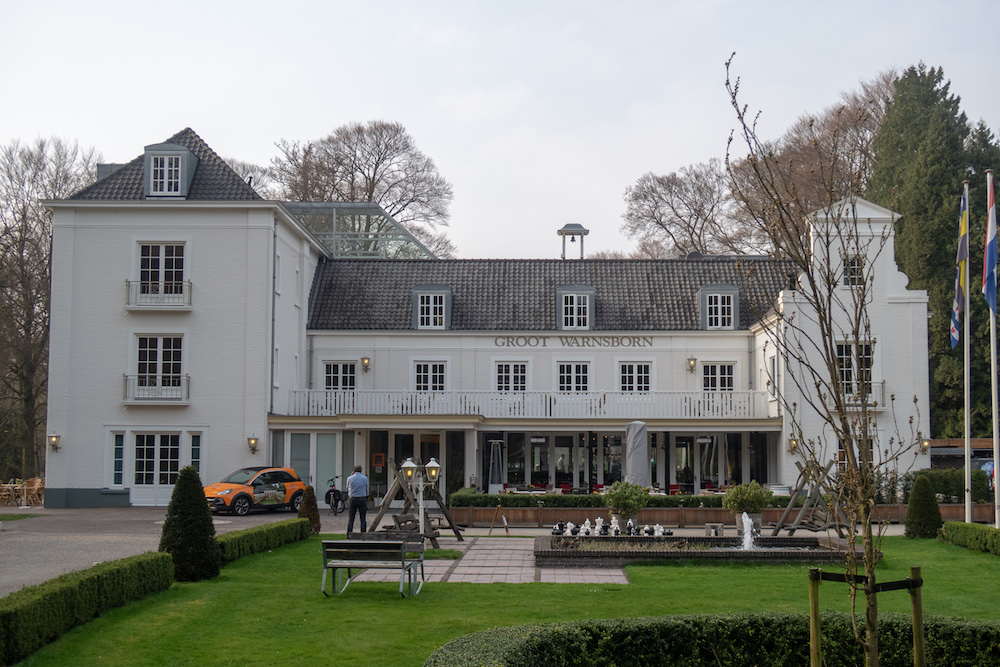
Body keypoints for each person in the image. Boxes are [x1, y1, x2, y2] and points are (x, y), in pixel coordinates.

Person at [346, 465, 369, 535]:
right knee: (363, 517)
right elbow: (366, 487)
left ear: (354, 471)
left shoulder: (349, 478)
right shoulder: (365, 478)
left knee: (351, 517)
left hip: (352, 498)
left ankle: (349, 533)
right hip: (362, 498)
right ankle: (363, 534)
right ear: (361, 470)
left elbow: (347, 487)